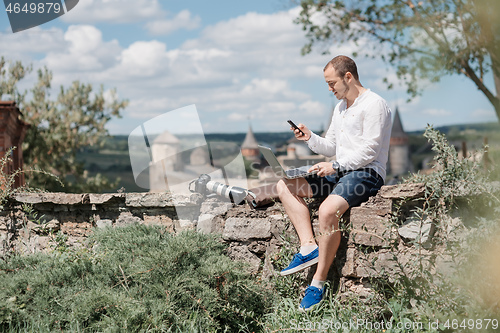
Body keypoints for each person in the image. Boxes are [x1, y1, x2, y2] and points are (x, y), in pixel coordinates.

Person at [276, 55, 392, 310]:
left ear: (348, 76)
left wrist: (336, 165)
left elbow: (370, 151)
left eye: (332, 83)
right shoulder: (340, 108)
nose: (330, 89)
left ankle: (318, 282)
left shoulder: (375, 104)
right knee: (284, 186)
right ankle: (308, 247)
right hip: (341, 170)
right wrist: (309, 138)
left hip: (367, 173)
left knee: (327, 210)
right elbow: (331, 147)